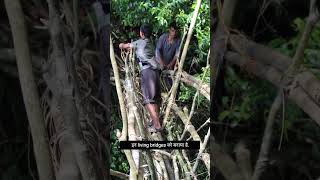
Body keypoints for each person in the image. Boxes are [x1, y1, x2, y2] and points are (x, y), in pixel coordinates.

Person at [119, 24, 162, 133]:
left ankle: (157, 125)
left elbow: (124, 46)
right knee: (155, 99)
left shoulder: (139, 42)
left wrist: (121, 45)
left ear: (141, 33)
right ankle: (155, 122)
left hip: (147, 72)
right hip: (155, 72)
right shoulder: (150, 43)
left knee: (148, 100)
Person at [155, 22, 181, 90]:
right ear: (169, 30)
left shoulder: (178, 40)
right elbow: (157, 50)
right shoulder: (163, 37)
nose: (174, 33)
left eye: (176, 31)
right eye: (172, 31)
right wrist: (161, 63)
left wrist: (171, 64)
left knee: (170, 82)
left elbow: (176, 54)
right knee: (158, 81)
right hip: (160, 64)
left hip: (170, 65)